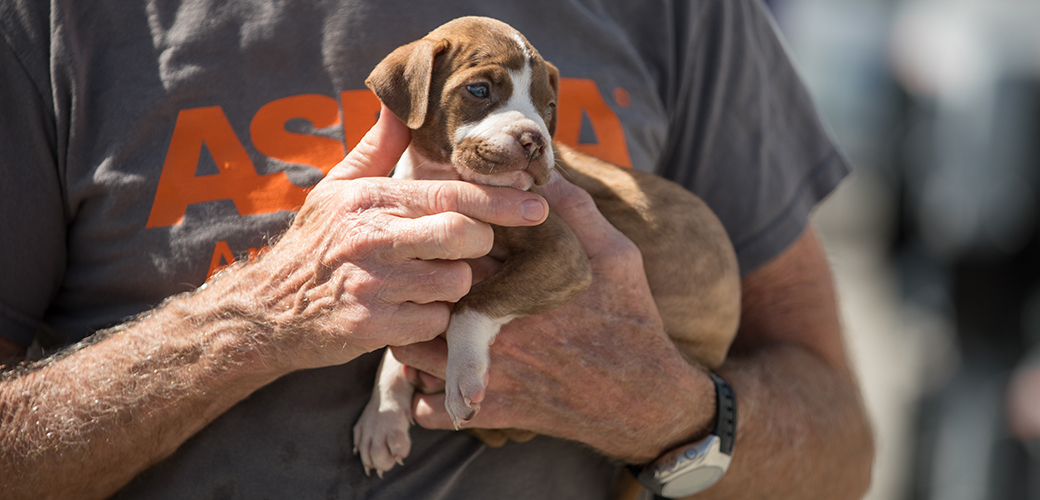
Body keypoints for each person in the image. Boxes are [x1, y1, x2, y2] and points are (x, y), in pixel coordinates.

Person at [0, 0, 874, 498]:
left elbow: (841, 448)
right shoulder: (58, 23)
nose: (526, 130)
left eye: (534, 108)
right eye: (484, 96)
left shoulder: (682, 15)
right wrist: (257, 320)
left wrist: (670, 413)